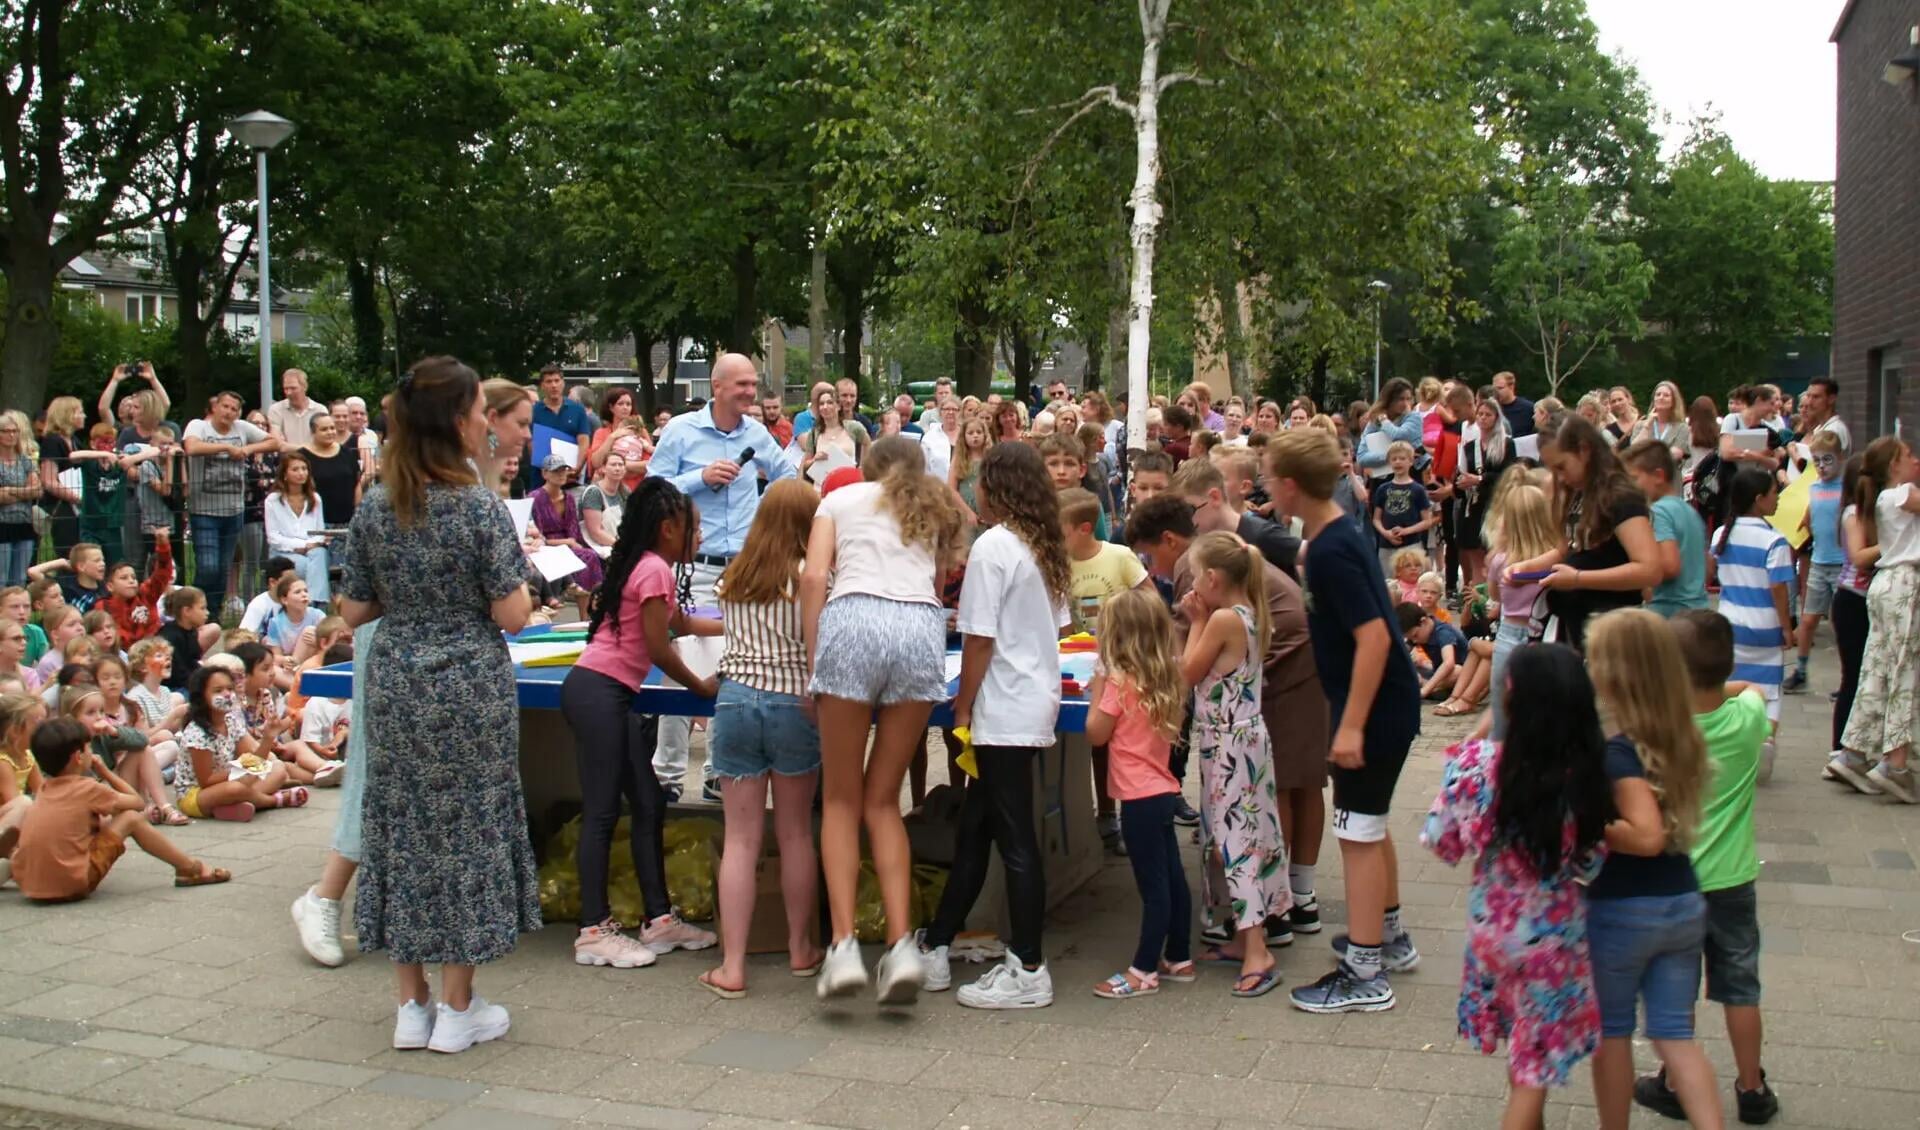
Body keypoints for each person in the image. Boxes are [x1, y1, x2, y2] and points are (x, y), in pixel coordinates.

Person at [340, 356, 539, 1054]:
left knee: (401, 827)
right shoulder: (478, 505)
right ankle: (459, 1009)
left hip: (396, 681)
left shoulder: (375, 503)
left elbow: (354, 606)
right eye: (481, 409)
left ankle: (410, 1006)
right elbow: (512, 613)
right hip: (467, 687)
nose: (488, 419)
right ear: (459, 421)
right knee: (468, 833)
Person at [1264, 430, 1422, 1014]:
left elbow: (1375, 638)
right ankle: (1389, 936)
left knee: (1355, 834)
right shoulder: (1333, 536)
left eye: (1268, 474)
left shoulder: (1333, 549)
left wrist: (1351, 725)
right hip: (1386, 706)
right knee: (1371, 826)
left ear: (1287, 484)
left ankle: (1364, 970)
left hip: (1374, 712)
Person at [1421, 644, 1610, 1129]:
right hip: (1554, 936)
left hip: (1492, 930)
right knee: (1536, 1063)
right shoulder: (1588, 770)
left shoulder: (1478, 765)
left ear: (1511, 700)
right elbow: (1594, 855)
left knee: (1526, 1049)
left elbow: (1443, 843)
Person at [803, 435, 962, 1002]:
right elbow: (940, 586)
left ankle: (843, 945)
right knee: (883, 800)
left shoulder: (839, 501)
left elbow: (814, 577)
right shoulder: (937, 508)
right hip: (920, 629)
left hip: (854, 620)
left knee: (842, 800)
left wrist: (812, 660)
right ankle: (900, 948)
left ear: (866, 468)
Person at [916, 442, 1072, 1009]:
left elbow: (978, 638)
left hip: (1003, 710)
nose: (974, 490)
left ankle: (1029, 965)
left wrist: (963, 706)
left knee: (1012, 838)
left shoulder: (994, 547)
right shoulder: (1041, 544)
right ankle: (936, 942)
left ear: (997, 489)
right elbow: (1049, 630)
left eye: (980, 481)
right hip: (1028, 702)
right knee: (977, 829)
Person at [562, 477, 721, 971]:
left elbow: (683, 626)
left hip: (608, 696)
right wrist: (701, 687)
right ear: (669, 528)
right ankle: (593, 930)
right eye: (693, 530)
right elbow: (658, 648)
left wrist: (744, 619)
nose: (700, 538)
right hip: (598, 694)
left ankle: (658, 919)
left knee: (649, 801)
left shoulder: (651, 567)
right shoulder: (654, 570)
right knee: (604, 811)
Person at [1636, 611, 1779, 1123]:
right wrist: (1733, 683)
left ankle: (1675, 1080)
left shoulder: (1654, 733)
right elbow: (1749, 691)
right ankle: (1752, 1087)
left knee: (1676, 988)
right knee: (1741, 986)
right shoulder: (1747, 719)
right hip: (1734, 880)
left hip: (1674, 882)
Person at [1583, 609, 1721, 1129]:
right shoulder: (1678, 735)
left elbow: (1645, 835)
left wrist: (1593, 822)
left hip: (1623, 909)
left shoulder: (1620, 753)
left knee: (1613, 1031)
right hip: (1683, 902)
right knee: (1674, 1035)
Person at [646, 353, 796, 800]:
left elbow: (788, 478)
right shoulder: (681, 432)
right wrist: (699, 477)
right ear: (717, 386)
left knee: (734, 669)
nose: (751, 393)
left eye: (754, 385)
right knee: (683, 666)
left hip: (746, 569)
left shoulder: (757, 434)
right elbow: (652, 492)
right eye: (743, 385)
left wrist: (766, 507)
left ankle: (717, 773)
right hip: (695, 565)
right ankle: (667, 777)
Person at [696, 480, 824, 996]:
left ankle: (732, 965)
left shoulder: (734, 577)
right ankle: (800, 948)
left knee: (741, 840)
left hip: (735, 700)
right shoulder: (813, 579)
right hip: (794, 703)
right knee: (794, 832)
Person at [1176, 531, 1288, 998]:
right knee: (1247, 833)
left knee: (1234, 838)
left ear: (1213, 579)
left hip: (1227, 745)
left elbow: (1186, 673)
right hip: (1246, 739)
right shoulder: (1251, 611)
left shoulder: (1222, 618)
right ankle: (1247, 938)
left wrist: (1194, 620)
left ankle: (1258, 948)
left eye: (1197, 576)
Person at [1080, 589, 1193, 998]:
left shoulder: (1116, 681)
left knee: (1153, 886)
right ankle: (1179, 955)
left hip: (1137, 797)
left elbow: (1096, 734)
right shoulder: (1166, 678)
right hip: (1161, 788)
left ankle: (1143, 969)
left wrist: (1096, 691)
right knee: (1174, 879)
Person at [11, 718, 228, 901]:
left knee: (99, 822)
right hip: (70, 885)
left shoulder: (45, 788)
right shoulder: (87, 788)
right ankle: (189, 868)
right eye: (88, 748)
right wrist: (104, 771)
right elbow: (136, 803)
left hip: (30, 885)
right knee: (131, 819)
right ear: (79, 757)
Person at [1510, 416, 1660, 651]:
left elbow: (1649, 570)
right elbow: (1567, 550)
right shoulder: (1578, 492)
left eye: (1562, 467)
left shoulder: (1620, 496)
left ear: (1584, 451)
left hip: (1610, 628)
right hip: (1576, 624)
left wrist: (1578, 579)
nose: (1559, 477)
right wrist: (1527, 569)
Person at [1832, 436, 1920, 802]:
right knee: (1904, 671)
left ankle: (1853, 752)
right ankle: (1894, 762)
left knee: (1877, 669)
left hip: (1884, 586)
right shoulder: (1901, 493)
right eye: (1909, 455)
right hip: (1906, 584)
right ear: (1893, 466)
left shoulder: (1881, 499)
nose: (1916, 460)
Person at [183, 391, 281, 616]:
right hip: (204, 509)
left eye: (234, 409)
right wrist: (226, 448)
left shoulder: (242, 428)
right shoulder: (198, 426)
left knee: (224, 567)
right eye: (225, 406)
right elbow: (192, 448)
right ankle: (194, 609)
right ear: (215, 407)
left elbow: (275, 441)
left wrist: (247, 449)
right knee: (208, 567)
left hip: (233, 511)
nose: (228, 412)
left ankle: (212, 615)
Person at [1712, 470, 1792, 741]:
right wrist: (1786, 627)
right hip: (1766, 629)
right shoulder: (1775, 540)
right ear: (1759, 499)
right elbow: (1778, 588)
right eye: (1773, 492)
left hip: (1730, 627)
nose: (1778, 497)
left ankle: (1733, 738)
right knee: (1770, 691)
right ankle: (1765, 739)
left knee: (1732, 686)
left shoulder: (1721, 534)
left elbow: (1711, 570)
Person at [174, 664, 302, 819]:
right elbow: (206, 781)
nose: (227, 694)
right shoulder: (198, 733)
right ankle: (273, 800)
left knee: (278, 769)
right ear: (202, 697)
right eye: (218, 691)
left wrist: (268, 738)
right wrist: (239, 772)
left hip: (230, 780)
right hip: (197, 794)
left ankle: (234, 805)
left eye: (229, 688)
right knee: (235, 789)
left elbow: (254, 760)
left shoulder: (231, 720)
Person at [1825, 454, 1877, 790]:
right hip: (1852, 601)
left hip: (1859, 601)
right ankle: (1840, 751)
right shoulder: (1852, 514)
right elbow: (1859, 559)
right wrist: (1898, 543)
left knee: (1859, 677)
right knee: (1853, 678)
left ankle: (1850, 751)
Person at [1786, 430, 1847, 693]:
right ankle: (1800, 670)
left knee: (1840, 623)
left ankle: (1848, 677)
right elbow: (1809, 519)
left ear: (1840, 459)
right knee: (1808, 619)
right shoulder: (1813, 488)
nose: (1821, 466)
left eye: (1827, 460)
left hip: (1842, 564)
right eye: (1817, 461)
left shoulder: (1846, 490)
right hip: (1820, 562)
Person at [1624, 441, 1708, 618]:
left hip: (1670, 612)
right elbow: (1708, 565)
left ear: (1658, 476)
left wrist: (1637, 572)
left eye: (1634, 479)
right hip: (1698, 608)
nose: (1630, 486)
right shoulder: (1690, 511)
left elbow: (1670, 567)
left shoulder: (1658, 512)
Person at [1453, 390, 1511, 594]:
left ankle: (1494, 599)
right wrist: (1459, 483)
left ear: (1496, 418)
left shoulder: (1506, 444)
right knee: (1475, 559)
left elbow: (1508, 475)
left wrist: (1480, 479)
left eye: (1488, 414)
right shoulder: (1469, 447)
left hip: (1496, 506)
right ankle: (1477, 603)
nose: (1483, 418)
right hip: (1473, 506)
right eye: (1481, 414)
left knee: (1494, 558)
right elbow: (1459, 474)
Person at [265, 451, 332, 606]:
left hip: (312, 552)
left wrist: (311, 545)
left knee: (319, 553)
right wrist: (301, 546)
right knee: (312, 566)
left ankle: (311, 604)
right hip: (284, 552)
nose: (301, 473)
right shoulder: (273, 500)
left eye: (304, 469)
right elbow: (273, 537)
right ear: (285, 474)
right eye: (295, 469)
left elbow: (319, 532)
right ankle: (317, 607)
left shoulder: (315, 498)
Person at [532, 453, 604, 592]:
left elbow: (574, 531)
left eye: (563, 470)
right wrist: (567, 542)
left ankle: (588, 606)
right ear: (545, 473)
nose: (561, 474)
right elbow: (538, 537)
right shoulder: (535, 498)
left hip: (568, 545)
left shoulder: (569, 498)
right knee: (585, 556)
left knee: (590, 556)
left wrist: (572, 543)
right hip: (546, 548)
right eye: (556, 471)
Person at [1370, 441, 1437, 578]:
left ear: (1411, 461)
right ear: (1389, 462)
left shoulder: (1418, 489)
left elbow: (1427, 521)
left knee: (1412, 582)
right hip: (1386, 546)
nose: (1398, 462)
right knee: (1389, 584)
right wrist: (1386, 533)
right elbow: (1376, 519)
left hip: (1411, 545)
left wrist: (1405, 531)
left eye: (1402, 458)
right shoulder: (1383, 489)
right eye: (1394, 459)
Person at [524, 362, 592, 492]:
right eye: (549, 382)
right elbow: (531, 444)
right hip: (541, 481)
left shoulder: (577, 410)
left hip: (571, 479)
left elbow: (584, 440)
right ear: (542, 386)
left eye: (556, 380)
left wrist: (577, 467)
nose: (554, 385)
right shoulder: (533, 411)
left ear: (563, 383)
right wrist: (549, 471)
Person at [99, 531, 172, 651]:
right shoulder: (104, 606)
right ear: (110, 586)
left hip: (154, 649)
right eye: (124, 578)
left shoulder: (146, 594)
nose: (131, 581)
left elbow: (162, 573)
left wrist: (163, 546)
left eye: (133, 577)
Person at [301, 411, 365, 532]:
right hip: (317, 523)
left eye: (332, 428)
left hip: (348, 523)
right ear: (313, 432)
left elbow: (356, 485)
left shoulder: (347, 453)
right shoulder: (302, 457)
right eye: (324, 429)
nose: (330, 432)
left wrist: (358, 513)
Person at [39, 396, 84, 559]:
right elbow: (49, 481)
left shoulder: (75, 440)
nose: (84, 416)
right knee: (68, 553)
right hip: (63, 507)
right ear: (67, 415)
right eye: (80, 412)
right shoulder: (52, 441)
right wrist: (77, 498)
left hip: (76, 507)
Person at [798, 381, 870, 479]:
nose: (825, 407)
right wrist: (814, 460)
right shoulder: (815, 433)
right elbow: (805, 465)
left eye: (830, 403)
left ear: (838, 406)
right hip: (821, 488)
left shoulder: (854, 427)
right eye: (821, 404)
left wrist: (862, 468)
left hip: (848, 486)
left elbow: (867, 443)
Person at [0, 413, 40, 588]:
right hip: (2, 525)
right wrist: (25, 491)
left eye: (15, 431)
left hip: (24, 523)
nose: (11, 435)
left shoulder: (25, 460)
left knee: (20, 579)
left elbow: (37, 490)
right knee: (2, 578)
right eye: (6, 431)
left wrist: (10, 490)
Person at [1399, 604, 1465, 701]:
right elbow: (1402, 653)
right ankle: (1431, 687)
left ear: (1423, 621)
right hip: (1438, 675)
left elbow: (1449, 663)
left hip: (1462, 676)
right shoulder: (1419, 633)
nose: (1414, 641)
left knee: (1457, 670)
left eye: (1415, 636)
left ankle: (1427, 687)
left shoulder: (1443, 632)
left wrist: (1425, 690)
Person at [580, 452, 630, 555]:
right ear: (603, 468)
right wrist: (621, 546)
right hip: (598, 547)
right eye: (613, 465)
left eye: (620, 465)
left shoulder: (625, 491)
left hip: (620, 541)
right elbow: (595, 532)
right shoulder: (593, 493)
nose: (617, 468)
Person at [267, 368, 327, 447]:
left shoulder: (320, 410)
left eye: (293, 388)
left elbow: (325, 441)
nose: (288, 392)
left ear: (304, 387)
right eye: (286, 388)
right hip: (288, 458)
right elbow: (277, 443)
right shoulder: (276, 409)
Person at [1797, 375, 1850, 455]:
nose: (1809, 402)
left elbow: (1821, 466)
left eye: (1816, 397)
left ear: (1831, 399)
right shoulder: (1820, 428)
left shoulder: (1834, 430)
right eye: (1808, 396)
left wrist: (1793, 452)